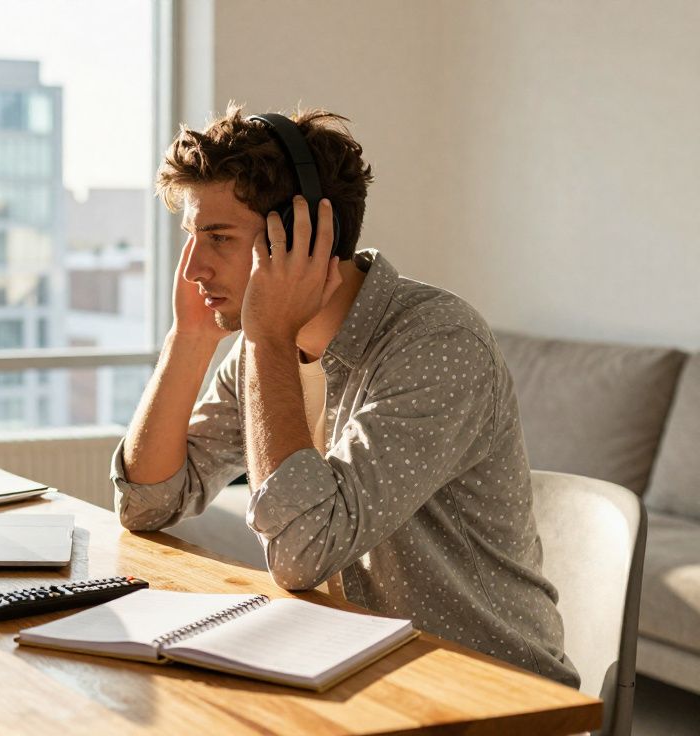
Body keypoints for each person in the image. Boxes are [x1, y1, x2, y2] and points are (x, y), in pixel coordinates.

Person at [112, 105, 578, 687]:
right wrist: (189, 338)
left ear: (305, 237)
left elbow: (301, 554)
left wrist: (269, 340)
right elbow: (146, 504)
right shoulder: (263, 348)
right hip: (352, 669)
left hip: (488, 690)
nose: (194, 268)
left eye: (219, 238)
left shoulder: (437, 342)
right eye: (192, 239)